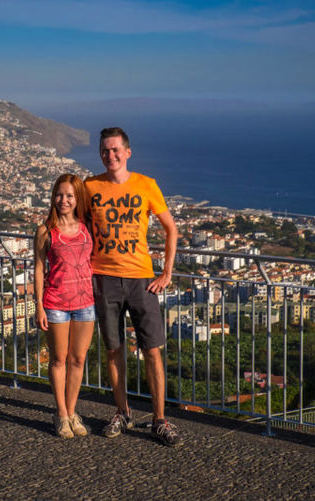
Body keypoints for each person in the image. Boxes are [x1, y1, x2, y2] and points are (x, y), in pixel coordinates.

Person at [84, 127, 183, 447]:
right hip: (103, 279)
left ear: (128, 152)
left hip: (142, 281)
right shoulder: (89, 187)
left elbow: (171, 229)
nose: (110, 155)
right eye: (104, 151)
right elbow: (80, 229)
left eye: (115, 150)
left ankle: (160, 419)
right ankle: (122, 412)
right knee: (114, 350)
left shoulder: (146, 185)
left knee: (152, 351)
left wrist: (166, 272)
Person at [34, 173, 96, 438]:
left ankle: (72, 412)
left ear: (77, 198)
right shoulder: (46, 231)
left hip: (86, 302)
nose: (64, 200)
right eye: (60, 194)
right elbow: (38, 269)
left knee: (78, 359)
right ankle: (60, 414)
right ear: (53, 197)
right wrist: (38, 305)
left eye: (70, 195)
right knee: (59, 359)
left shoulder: (87, 226)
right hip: (56, 302)